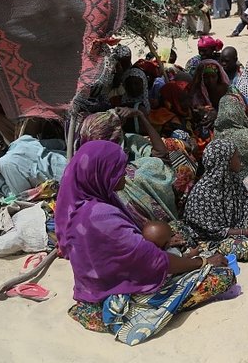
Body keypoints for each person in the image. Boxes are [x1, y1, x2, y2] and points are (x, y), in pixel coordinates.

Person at [56, 141, 233, 345]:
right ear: (100, 173)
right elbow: (153, 260)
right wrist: (202, 262)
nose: (125, 173)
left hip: (92, 290)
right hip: (113, 298)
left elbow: (123, 247)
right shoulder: (99, 216)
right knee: (221, 277)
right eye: (119, 169)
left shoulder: (80, 207)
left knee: (174, 229)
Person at [182, 138, 248, 261]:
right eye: (237, 157)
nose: (240, 161)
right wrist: (246, 232)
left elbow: (246, 206)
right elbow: (214, 232)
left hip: (237, 225)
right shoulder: (202, 193)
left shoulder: (233, 179)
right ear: (225, 162)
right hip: (214, 239)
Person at [0, 129, 67, 198]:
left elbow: (22, 198)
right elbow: (60, 144)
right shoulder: (22, 141)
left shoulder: (5, 162)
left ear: (1, 145)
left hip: (68, 181)